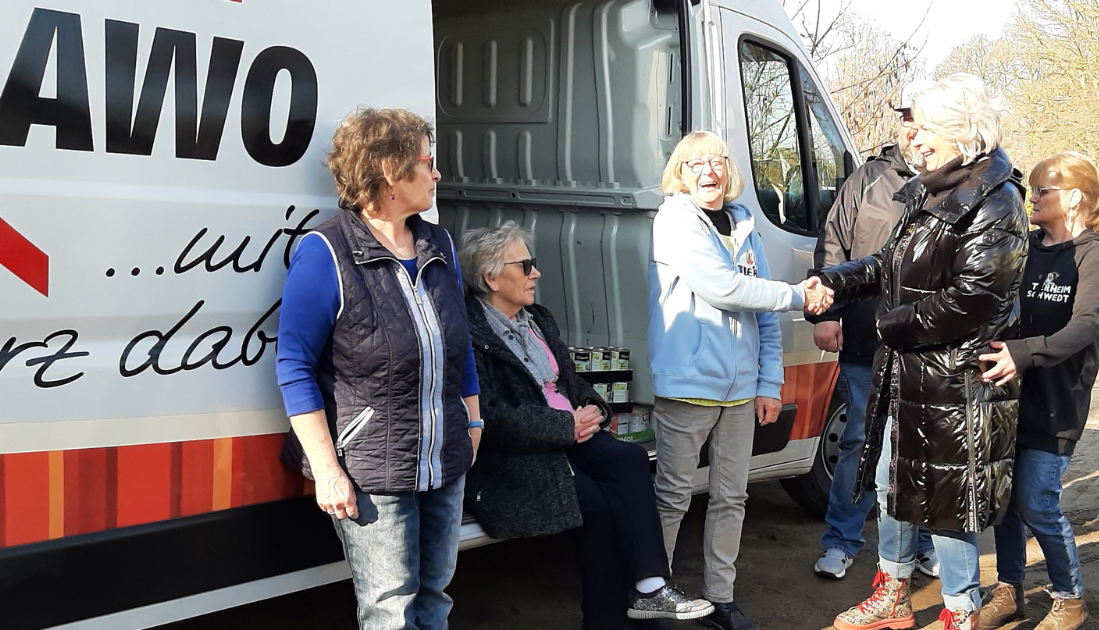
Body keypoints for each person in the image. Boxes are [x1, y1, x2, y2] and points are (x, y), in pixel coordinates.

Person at [816, 74, 1029, 630]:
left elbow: (973, 299)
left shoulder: (998, 199)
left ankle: (960, 610)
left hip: (955, 379)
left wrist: (888, 326)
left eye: (926, 128)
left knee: (948, 500)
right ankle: (892, 593)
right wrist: (834, 283)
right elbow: (888, 264)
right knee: (892, 484)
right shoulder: (930, 188)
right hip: (908, 372)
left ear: (962, 131)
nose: (913, 137)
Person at [276, 108, 482, 630]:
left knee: (435, 597)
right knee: (391, 611)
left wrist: (474, 421)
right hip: (373, 470)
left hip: (444, 457)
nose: (437, 174)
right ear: (391, 170)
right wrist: (327, 470)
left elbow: (459, 343)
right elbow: (294, 366)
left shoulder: (439, 244)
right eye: (428, 162)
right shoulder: (326, 251)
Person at [458, 222, 713, 630]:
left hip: (569, 434)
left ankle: (650, 588)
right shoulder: (470, 333)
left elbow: (569, 379)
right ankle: (606, 622)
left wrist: (593, 405)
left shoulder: (537, 319)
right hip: (518, 455)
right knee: (597, 505)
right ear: (490, 277)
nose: (536, 273)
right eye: (526, 265)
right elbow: (490, 416)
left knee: (630, 460)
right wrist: (564, 425)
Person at [648, 130, 833, 630]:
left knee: (732, 497)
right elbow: (724, 289)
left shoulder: (744, 224)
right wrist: (798, 295)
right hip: (689, 386)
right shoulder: (674, 220)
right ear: (680, 173)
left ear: (729, 170)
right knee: (673, 497)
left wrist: (769, 383)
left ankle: (721, 599)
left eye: (717, 161)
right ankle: (655, 596)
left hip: (741, 392)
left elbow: (763, 315)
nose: (708, 171)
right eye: (695, 163)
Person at [977, 152, 1099, 630]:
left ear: (1074, 198)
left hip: (1058, 403)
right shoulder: (1026, 248)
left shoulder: (1095, 258)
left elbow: (1084, 327)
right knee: (1005, 501)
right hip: (1008, 398)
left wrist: (1022, 353)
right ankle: (1010, 590)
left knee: (1037, 500)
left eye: (1042, 190)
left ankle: (1070, 599)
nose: (1032, 199)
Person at [810, 80, 940, 580]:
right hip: (868, 341)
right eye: (907, 119)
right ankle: (842, 540)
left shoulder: (953, 184)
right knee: (859, 443)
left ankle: (921, 545)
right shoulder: (867, 178)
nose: (913, 130)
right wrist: (826, 314)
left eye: (922, 120)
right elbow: (834, 244)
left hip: (928, 349)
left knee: (921, 450)